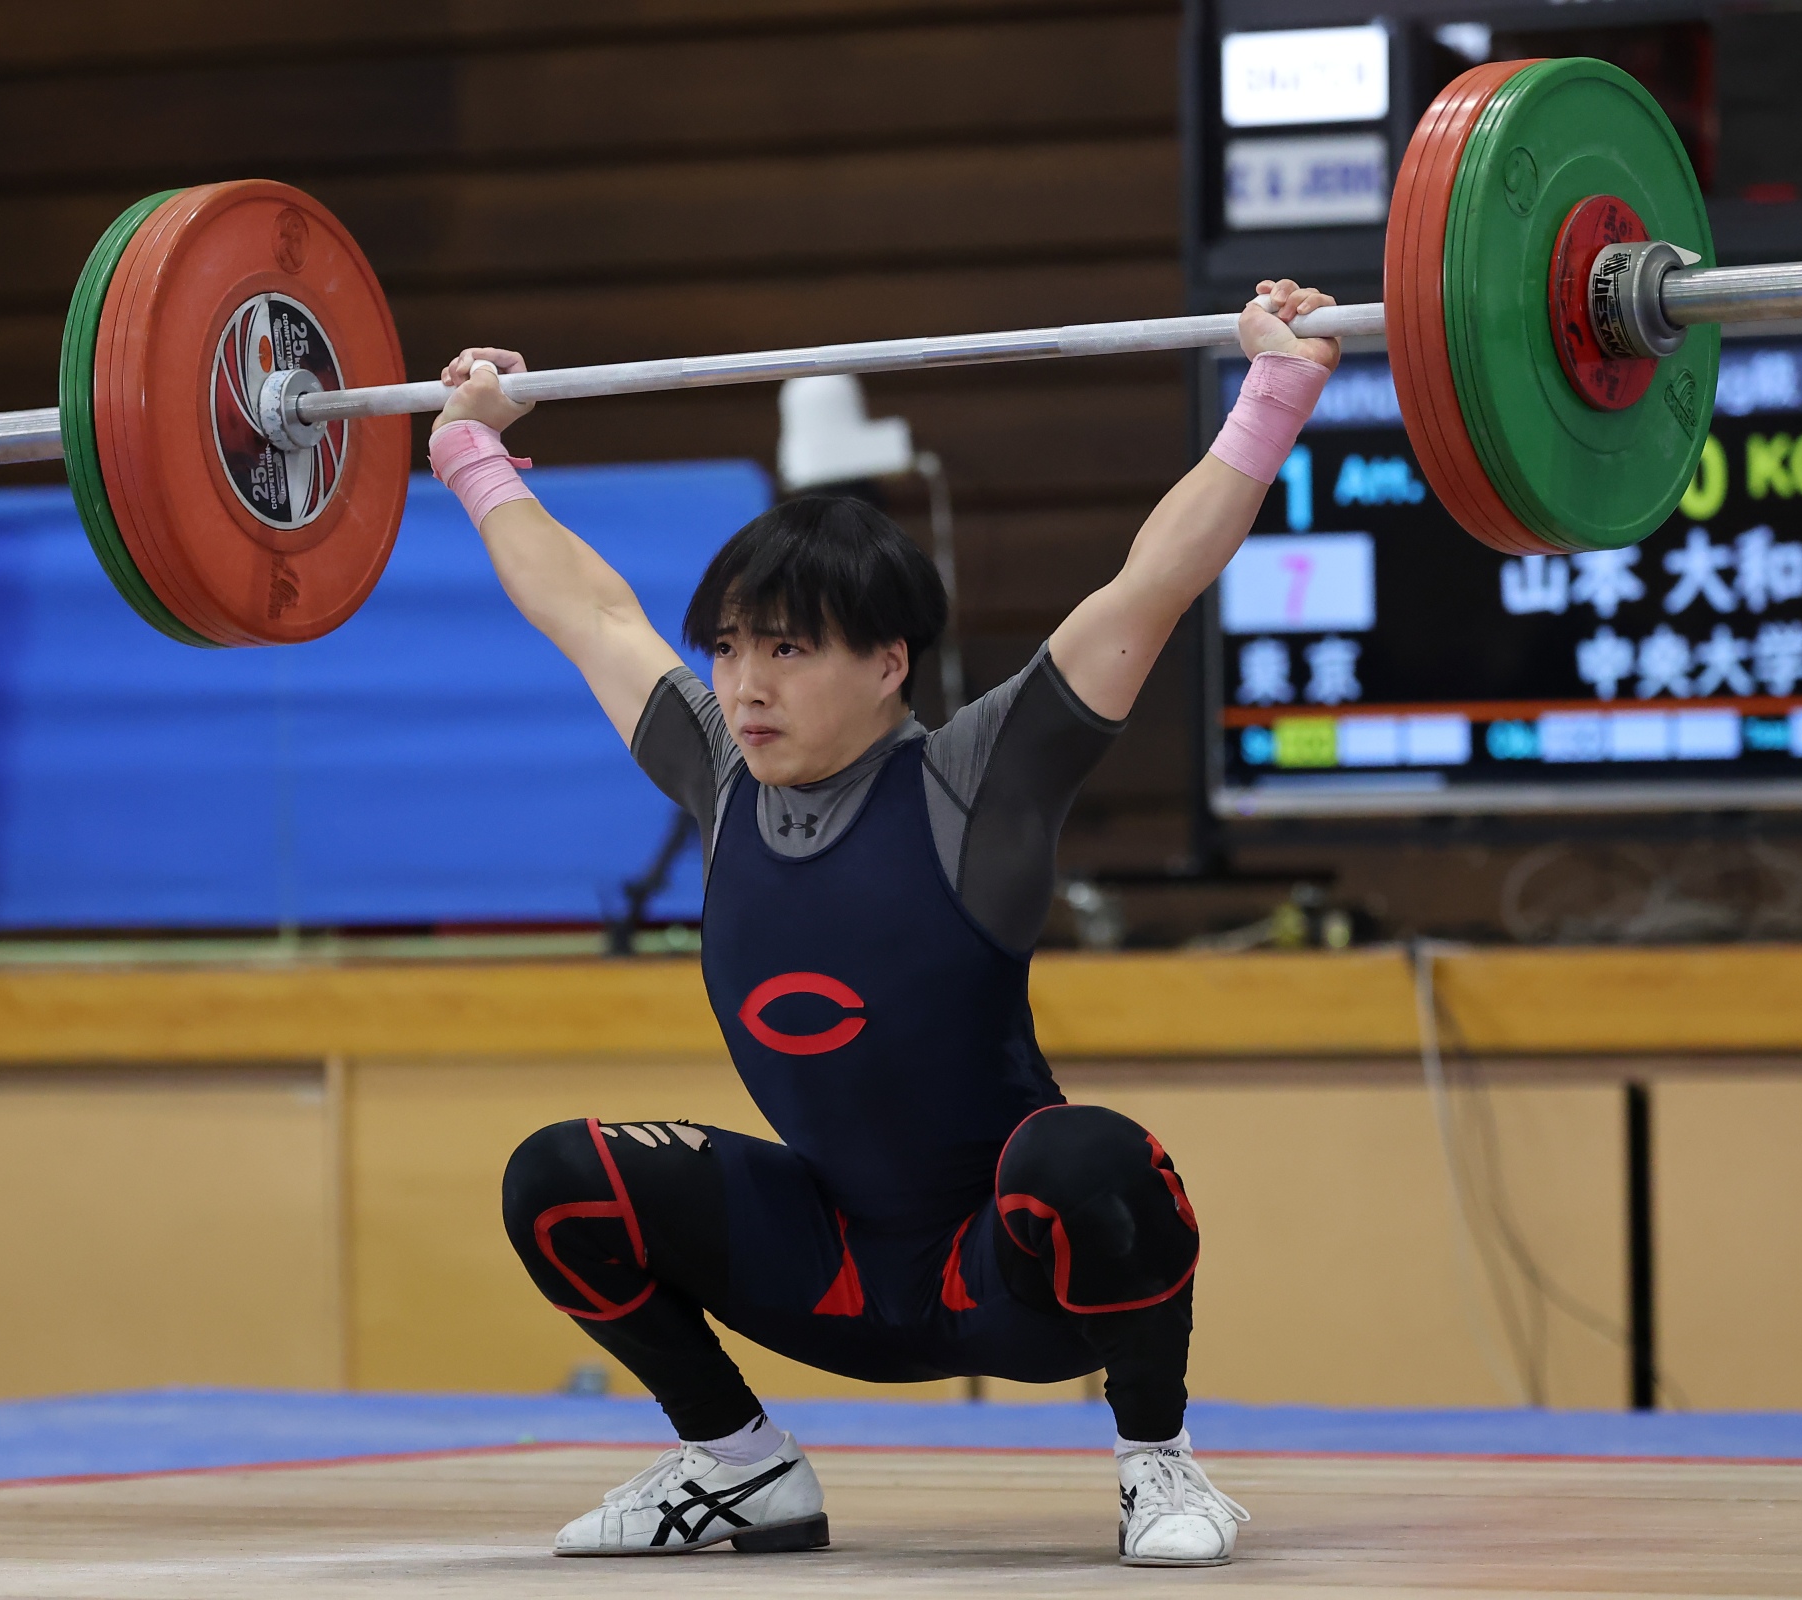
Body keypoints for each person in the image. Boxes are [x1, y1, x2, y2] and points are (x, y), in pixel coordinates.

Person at [430, 279, 1338, 1566]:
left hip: (1013, 1275)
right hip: (830, 1273)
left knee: (1090, 1154)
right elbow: (587, 611)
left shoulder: (979, 780)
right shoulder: (719, 776)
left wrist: (1277, 388)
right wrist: (471, 450)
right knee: (559, 1178)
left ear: (889, 663)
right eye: (730, 648)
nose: (745, 684)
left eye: (788, 650)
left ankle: (1159, 1463)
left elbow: (1154, 582)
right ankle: (740, 1465)